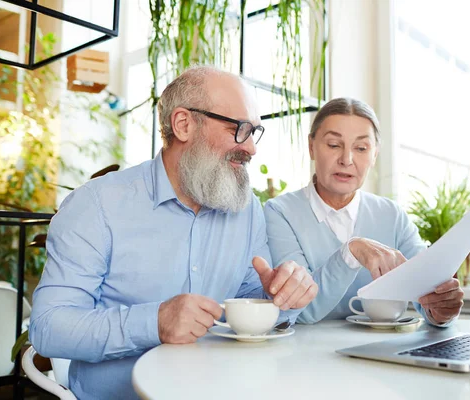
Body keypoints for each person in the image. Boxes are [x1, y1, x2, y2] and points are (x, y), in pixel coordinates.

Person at [29, 66, 318, 400]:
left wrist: (281, 295)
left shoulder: (246, 208)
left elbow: (247, 295)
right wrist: (154, 322)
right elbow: (49, 328)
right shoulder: (96, 205)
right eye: (238, 129)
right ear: (183, 124)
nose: (251, 148)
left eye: (255, 132)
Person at [264, 97, 463, 325]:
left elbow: (426, 290)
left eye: (360, 148)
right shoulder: (279, 212)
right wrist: (351, 252)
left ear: (374, 154)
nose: (346, 160)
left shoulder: (392, 216)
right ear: (311, 147)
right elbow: (300, 308)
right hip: (305, 354)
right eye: (333, 145)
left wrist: (440, 310)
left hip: (380, 353)